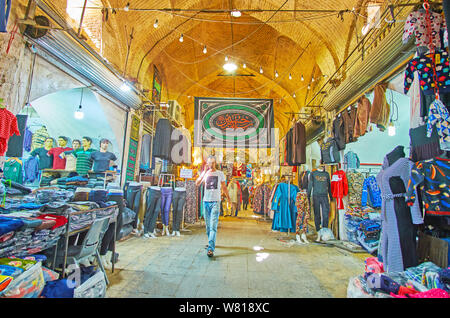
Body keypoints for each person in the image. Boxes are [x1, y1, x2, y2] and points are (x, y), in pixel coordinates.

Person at [195, 155, 232, 257]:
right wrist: (204, 172)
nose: (211, 165)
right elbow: (197, 183)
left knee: (213, 226)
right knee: (208, 227)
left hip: (215, 202)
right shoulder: (205, 173)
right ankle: (211, 242)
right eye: (209, 163)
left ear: (215, 163)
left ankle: (211, 248)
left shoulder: (220, 174)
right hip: (206, 202)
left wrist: (229, 199)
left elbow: (224, 187)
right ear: (207, 164)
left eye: (212, 163)